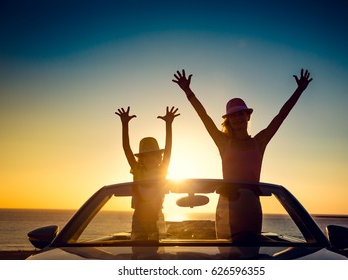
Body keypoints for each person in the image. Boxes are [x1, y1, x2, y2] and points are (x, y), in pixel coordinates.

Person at [172, 69, 313, 240]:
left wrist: (299, 90)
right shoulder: (223, 142)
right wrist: (188, 91)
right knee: (227, 254)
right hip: (226, 205)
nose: (238, 118)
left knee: (250, 250)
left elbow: (280, 116)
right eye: (233, 116)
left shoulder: (260, 142)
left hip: (251, 204)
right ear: (228, 120)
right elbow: (205, 117)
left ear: (247, 116)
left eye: (241, 114)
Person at [115, 106, 180, 240]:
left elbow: (168, 149)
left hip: (156, 215)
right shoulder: (137, 170)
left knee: (156, 245)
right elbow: (126, 148)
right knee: (138, 245)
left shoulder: (162, 170)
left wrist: (169, 124)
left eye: (154, 155)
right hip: (139, 215)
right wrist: (124, 124)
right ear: (141, 159)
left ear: (159, 157)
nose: (150, 158)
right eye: (146, 156)